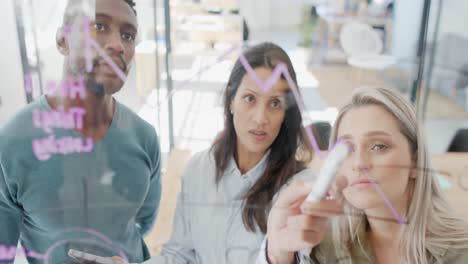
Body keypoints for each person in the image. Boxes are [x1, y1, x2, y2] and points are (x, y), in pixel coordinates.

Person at [119, 42, 314, 264]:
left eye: (275, 103)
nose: (261, 118)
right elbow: (181, 254)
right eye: (250, 99)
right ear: (231, 100)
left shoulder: (299, 188)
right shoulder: (198, 168)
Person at [0, 0, 161, 263]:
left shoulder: (144, 137)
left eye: (128, 35)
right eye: (99, 26)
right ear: (63, 40)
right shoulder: (11, 146)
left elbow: (143, 222)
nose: (118, 45)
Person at [261, 87, 468, 264]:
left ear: (415, 160)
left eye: (379, 146)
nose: (359, 163)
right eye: (347, 149)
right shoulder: (322, 247)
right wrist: (278, 255)